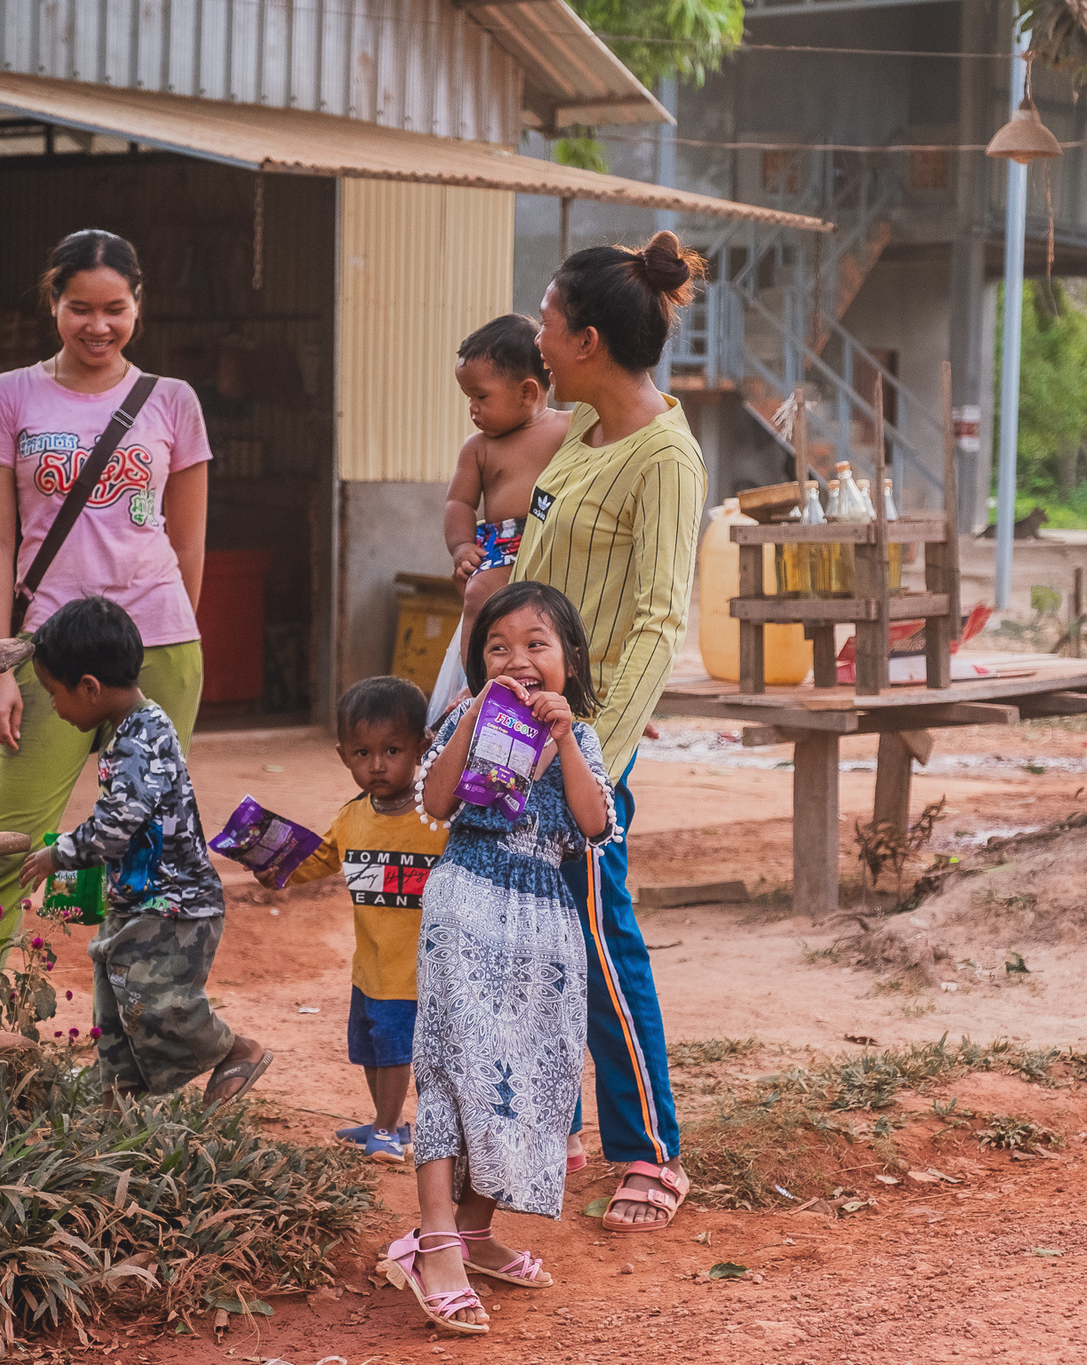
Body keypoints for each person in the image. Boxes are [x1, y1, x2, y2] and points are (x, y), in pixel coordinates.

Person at [514, 229, 708, 1232]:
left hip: (580, 756)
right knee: (532, 944)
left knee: (598, 943)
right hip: (521, 739)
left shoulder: (664, 459)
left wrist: (589, 755)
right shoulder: (579, 438)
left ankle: (648, 1154)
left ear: (586, 338)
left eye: (545, 323)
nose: (534, 338)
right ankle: (562, 1127)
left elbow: (654, 620)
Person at [0, 229, 211, 967]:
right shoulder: (8, 396)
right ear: (53, 303)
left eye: (115, 309)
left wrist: (178, 636)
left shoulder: (173, 401)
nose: (98, 326)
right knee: (11, 833)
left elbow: (190, 542)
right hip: (50, 651)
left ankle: (139, 1014)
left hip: (160, 643)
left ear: (139, 307)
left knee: (144, 838)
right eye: (80, 308)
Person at [380, 581, 616, 1335]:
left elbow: (593, 824)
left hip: (545, 921)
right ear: (479, 660)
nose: (517, 659)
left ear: (569, 659)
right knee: (453, 1063)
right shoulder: (464, 715)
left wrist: (567, 739)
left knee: (531, 1068)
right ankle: (437, 1242)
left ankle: (475, 1231)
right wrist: (473, 717)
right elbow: (439, 803)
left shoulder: (585, 735)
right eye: (497, 646)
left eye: (535, 644)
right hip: (466, 901)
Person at [19, 596, 270, 1108]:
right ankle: (117, 1097)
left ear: (88, 688)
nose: (53, 707)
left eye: (54, 694)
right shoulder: (132, 730)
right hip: (139, 903)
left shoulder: (140, 739)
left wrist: (58, 854)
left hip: (174, 907)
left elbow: (115, 827)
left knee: (160, 1005)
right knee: (116, 1005)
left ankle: (233, 1050)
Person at [263, 676, 445, 1164]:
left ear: (421, 748)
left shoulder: (437, 819)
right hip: (368, 967)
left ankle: (386, 1128)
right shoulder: (351, 818)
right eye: (363, 754)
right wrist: (270, 865)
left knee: (394, 1050)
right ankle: (386, 1121)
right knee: (369, 1048)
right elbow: (318, 859)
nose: (378, 765)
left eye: (392, 750)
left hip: (413, 971)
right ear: (344, 756)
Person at [442, 315, 574, 647]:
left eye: (481, 397)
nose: (472, 408)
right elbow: (459, 502)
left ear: (527, 392)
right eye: (468, 397)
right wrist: (461, 547)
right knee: (479, 596)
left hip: (557, 539)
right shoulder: (478, 448)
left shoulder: (569, 428)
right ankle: (478, 678)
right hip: (504, 545)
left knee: (553, 619)